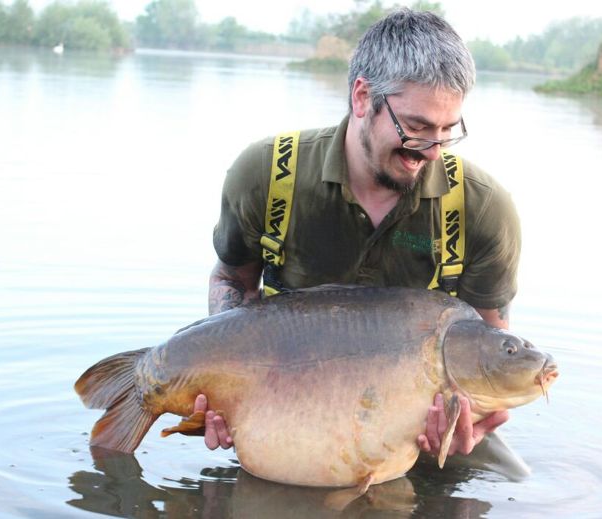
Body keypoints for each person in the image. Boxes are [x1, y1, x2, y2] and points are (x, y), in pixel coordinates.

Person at [197, 9, 521, 462]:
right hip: (291, 396)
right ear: (363, 96)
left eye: (448, 131)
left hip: (417, 417)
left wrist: (476, 419)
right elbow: (233, 280)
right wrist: (225, 383)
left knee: (510, 484)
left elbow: (488, 341)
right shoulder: (267, 175)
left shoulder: (482, 209)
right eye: (416, 127)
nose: (431, 152)